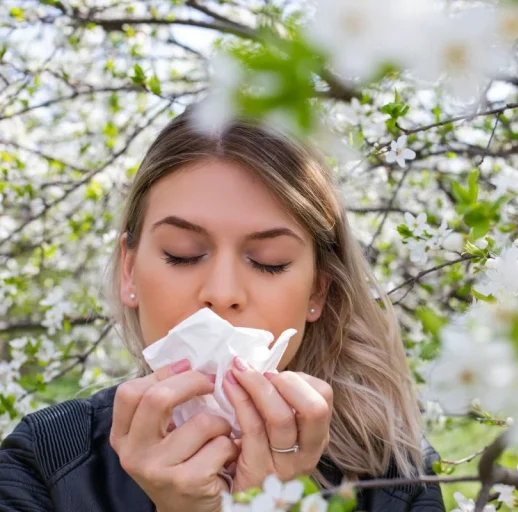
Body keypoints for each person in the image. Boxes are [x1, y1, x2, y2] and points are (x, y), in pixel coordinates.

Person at [0, 105, 445, 511]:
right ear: (129, 273)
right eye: (183, 254)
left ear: (317, 293)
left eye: (269, 263)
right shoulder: (44, 462)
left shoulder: (395, 478)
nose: (221, 293)